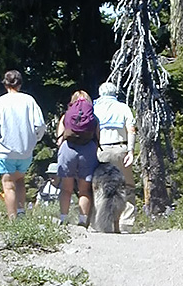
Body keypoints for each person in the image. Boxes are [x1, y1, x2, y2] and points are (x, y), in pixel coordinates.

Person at [0, 69, 45, 220]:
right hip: (25, 150)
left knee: (8, 184)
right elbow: (40, 124)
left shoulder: (0, 102)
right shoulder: (29, 100)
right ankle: (21, 212)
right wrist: (35, 139)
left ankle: (12, 218)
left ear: (5, 84)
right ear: (20, 84)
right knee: (20, 180)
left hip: (5, 150)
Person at [93, 81, 137, 232]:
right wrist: (130, 151)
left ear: (100, 93)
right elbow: (131, 130)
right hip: (120, 149)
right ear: (115, 93)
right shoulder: (123, 107)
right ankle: (126, 221)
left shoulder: (95, 108)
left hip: (101, 151)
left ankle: (100, 222)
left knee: (101, 187)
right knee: (126, 186)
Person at [56, 90, 100, 226]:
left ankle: (63, 219)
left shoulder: (66, 116)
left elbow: (59, 140)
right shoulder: (93, 118)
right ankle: (82, 220)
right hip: (88, 151)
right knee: (84, 190)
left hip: (68, 149)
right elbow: (98, 138)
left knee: (66, 188)